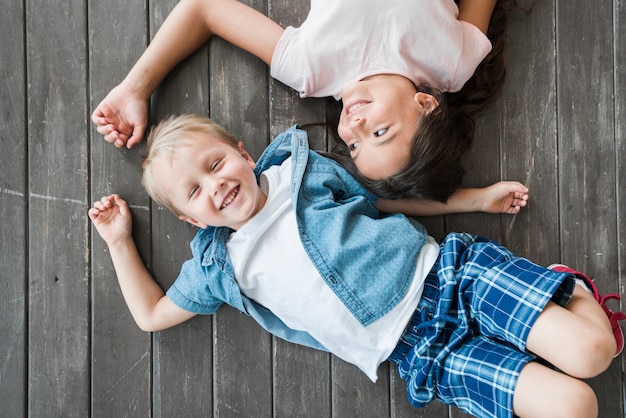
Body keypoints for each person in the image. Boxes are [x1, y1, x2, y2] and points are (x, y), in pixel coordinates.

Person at [89, 115, 624, 418]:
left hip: (450, 277)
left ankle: (567, 290)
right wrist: (118, 242)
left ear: (244, 153)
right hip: (419, 351)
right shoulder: (219, 266)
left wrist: (474, 200)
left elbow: (385, 198)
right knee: (576, 407)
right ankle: (545, 312)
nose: (217, 185)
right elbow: (152, 314)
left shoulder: (304, 172)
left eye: (216, 163)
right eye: (196, 191)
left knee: (595, 351)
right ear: (189, 219)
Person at [91, 0, 518, 202]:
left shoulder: (311, 69)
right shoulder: (452, 65)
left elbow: (206, 9)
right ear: (426, 105)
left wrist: (135, 88)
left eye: (353, 145)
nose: (354, 127)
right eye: (381, 133)